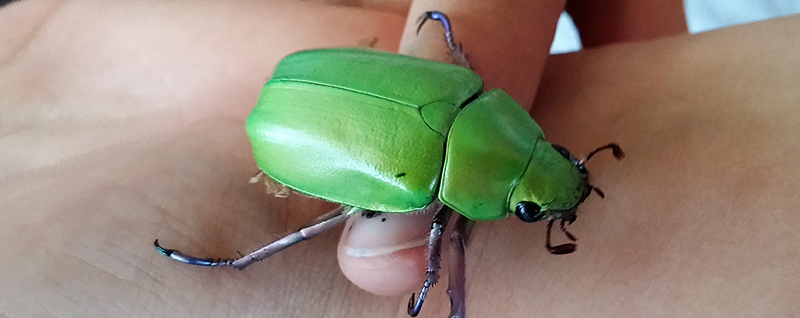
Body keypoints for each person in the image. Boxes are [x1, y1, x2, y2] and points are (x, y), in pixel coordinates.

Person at [3, 0, 798, 317]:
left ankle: (238, 266)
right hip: (306, 125)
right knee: (368, 241)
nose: (550, 200)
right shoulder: (439, 177)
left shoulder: (471, 87)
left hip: (329, 85)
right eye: (532, 207)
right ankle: (242, 263)